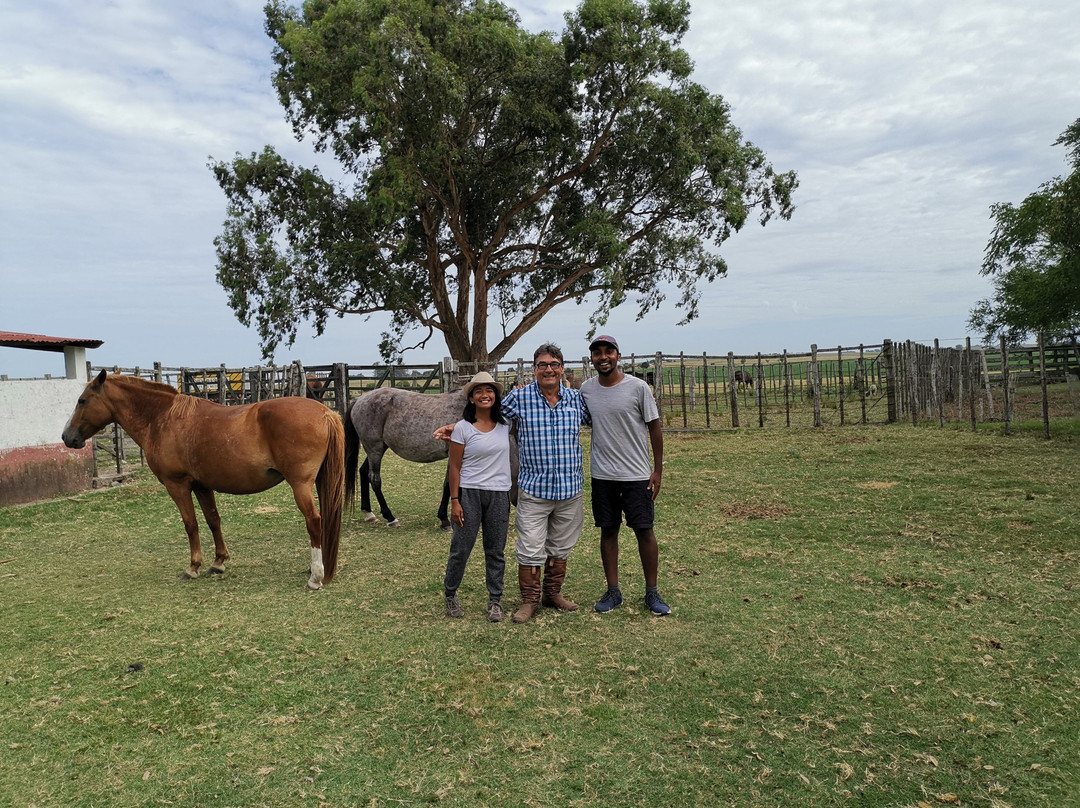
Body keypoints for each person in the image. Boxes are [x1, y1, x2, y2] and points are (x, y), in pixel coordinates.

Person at [435, 344, 591, 623]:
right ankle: (530, 600)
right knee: (530, 546)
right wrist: (456, 428)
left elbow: (602, 420)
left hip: (569, 488)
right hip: (533, 487)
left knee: (561, 545)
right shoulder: (520, 399)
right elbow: (485, 412)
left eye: (554, 364)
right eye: (542, 365)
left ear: (562, 368)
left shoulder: (577, 400)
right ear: (534, 369)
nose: (548, 369)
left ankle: (552, 593)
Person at [579, 335, 671, 615]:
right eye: (597, 353)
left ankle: (652, 593)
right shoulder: (586, 390)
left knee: (645, 531)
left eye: (609, 352)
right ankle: (613, 591)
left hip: (636, 475)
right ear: (592, 359)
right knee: (608, 531)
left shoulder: (638, 387)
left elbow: (654, 427)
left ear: (618, 356)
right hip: (603, 474)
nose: (603, 357)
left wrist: (657, 469)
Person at [442, 372, 514, 622]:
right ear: (471, 398)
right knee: (461, 548)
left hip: (499, 494)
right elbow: (454, 467)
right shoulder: (462, 428)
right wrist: (455, 500)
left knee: (495, 550)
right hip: (469, 493)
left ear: (495, 395)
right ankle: (450, 593)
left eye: (489, 390)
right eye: (479, 391)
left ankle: (495, 600)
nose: (485, 395)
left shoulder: (506, 425)